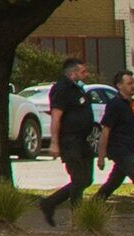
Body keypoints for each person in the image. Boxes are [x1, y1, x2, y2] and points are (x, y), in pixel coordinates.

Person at [39, 57, 98, 217]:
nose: (86, 75)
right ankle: (78, 217)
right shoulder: (62, 89)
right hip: (69, 141)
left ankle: (50, 202)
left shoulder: (77, 89)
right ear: (72, 74)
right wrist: (54, 143)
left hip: (83, 141)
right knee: (79, 178)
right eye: (83, 72)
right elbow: (56, 117)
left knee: (86, 179)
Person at [94, 71, 134, 203]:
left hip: (130, 150)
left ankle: (95, 203)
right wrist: (101, 156)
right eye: (129, 83)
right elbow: (105, 131)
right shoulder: (114, 104)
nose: (133, 86)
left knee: (113, 182)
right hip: (119, 151)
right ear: (119, 86)